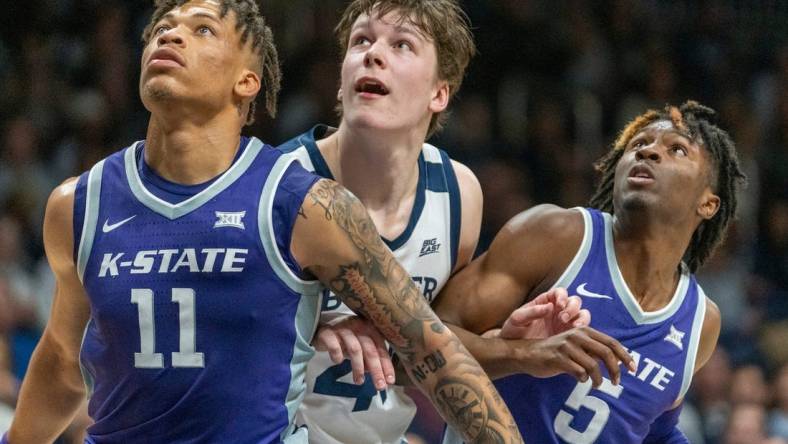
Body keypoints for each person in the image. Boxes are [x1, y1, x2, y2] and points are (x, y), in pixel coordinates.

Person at [2, 1, 523, 443]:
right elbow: (61, 359)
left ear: (247, 80)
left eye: (201, 29)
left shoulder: (304, 203)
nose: (171, 34)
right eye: (163, 29)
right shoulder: (77, 203)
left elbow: (434, 351)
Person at [277, 1, 632, 443]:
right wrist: (310, 329)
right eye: (361, 41)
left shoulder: (457, 195)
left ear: (438, 94)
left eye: (402, 44)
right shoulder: (278, 183)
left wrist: (509, 342)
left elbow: (430, 351)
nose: (373, 53)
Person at [437, 101, 747, 443]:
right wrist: (522, 355)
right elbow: (417, 342)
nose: (649, 153)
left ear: (708, 203)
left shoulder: (701, 322)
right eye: (638, 145)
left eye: (677, 150)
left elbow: (655, 431)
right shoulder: (556, 236)